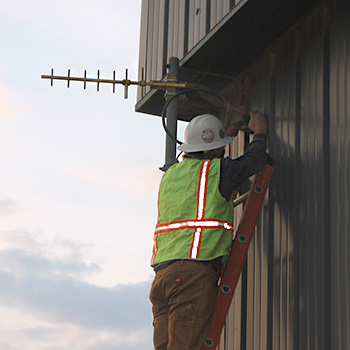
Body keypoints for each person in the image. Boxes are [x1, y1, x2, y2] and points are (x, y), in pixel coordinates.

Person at [149, 111, 268, 350]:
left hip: (162, 278)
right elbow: (253, 162)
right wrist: (261, 134)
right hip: (192, 275)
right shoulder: (217, 171)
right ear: (216, 150)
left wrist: (227, 133)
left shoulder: (171, 174)